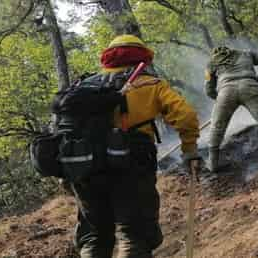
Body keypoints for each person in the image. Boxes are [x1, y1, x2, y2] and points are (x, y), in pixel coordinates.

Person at [68, 35, 200, 258]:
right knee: (134, 235)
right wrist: (189, 150)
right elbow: (186, 117)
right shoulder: (150, 84)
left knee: (95, 236)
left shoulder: (85, 86)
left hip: (85, 170)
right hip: (130, 166)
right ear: (142, 57)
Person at [204, 46, 258, 173]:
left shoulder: (211, 63)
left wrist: (221, 100)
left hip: (225, 93)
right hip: (250, 86)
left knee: (217, 128)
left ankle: (212, 165)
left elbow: (209, 90)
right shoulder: (246, 53)